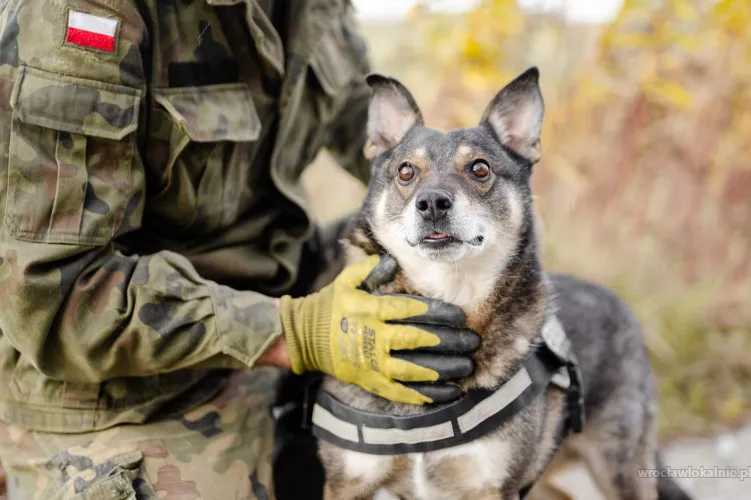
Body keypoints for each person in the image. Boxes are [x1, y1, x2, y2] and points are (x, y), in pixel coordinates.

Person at [0, 1, 479, 498]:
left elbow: (369, 127)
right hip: (120, 385)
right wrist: (298, 331)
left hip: (288, 282)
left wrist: (471, 201)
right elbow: (56, 297)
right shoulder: (86, 12)